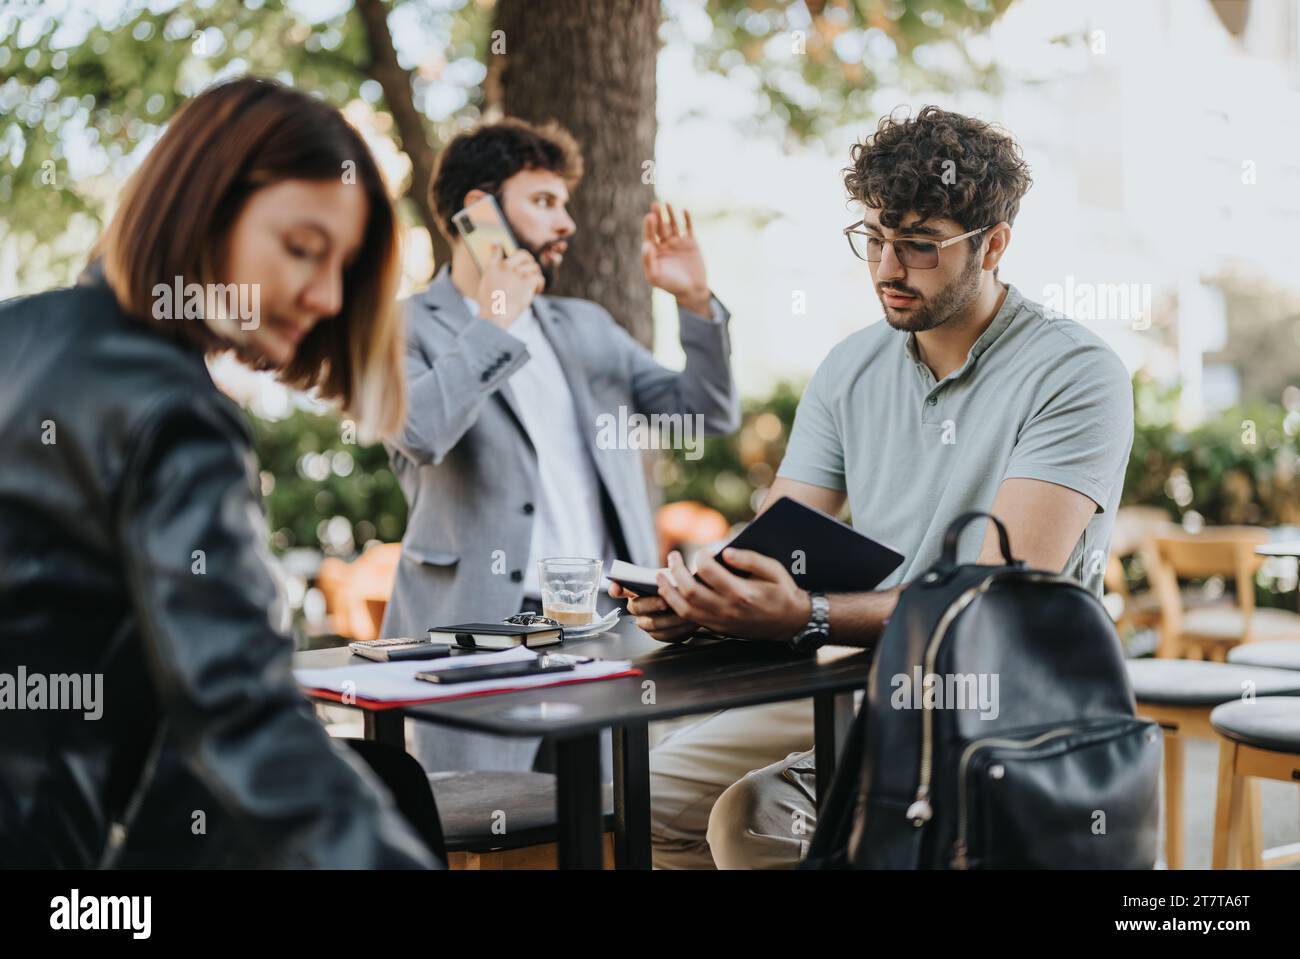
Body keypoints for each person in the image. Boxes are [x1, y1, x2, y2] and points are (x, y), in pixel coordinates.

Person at [611, 106, 1135, 868]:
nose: (889, 269)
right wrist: (706, 601)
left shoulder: (1077, 373)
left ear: (993, 245)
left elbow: (991, 599)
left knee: (751, 819)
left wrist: (812, 613)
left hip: (1003, 698)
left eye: (920, 247)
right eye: (875, 240)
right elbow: (783, 537)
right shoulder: (849, 367)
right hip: (864, 670)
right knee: (636, 794)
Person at [0, 77, 437, 868]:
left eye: (343, 266)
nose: (327, 294)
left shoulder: (21, 333)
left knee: (385, 777)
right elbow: (242, 712)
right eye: (302, 249)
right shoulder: (172, 411)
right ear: (204, 204)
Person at [382, 118, 740, 774]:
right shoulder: (400, 326)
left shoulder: (586, 325)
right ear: (480, 211)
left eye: (565, 203)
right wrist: (494, 318)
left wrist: (694, 301)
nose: (567, 221)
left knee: (610, 829)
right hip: (468, 640)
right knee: (484, 834)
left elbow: (706, 413)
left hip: (603, 631)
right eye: (545, 202)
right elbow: (419, 433)